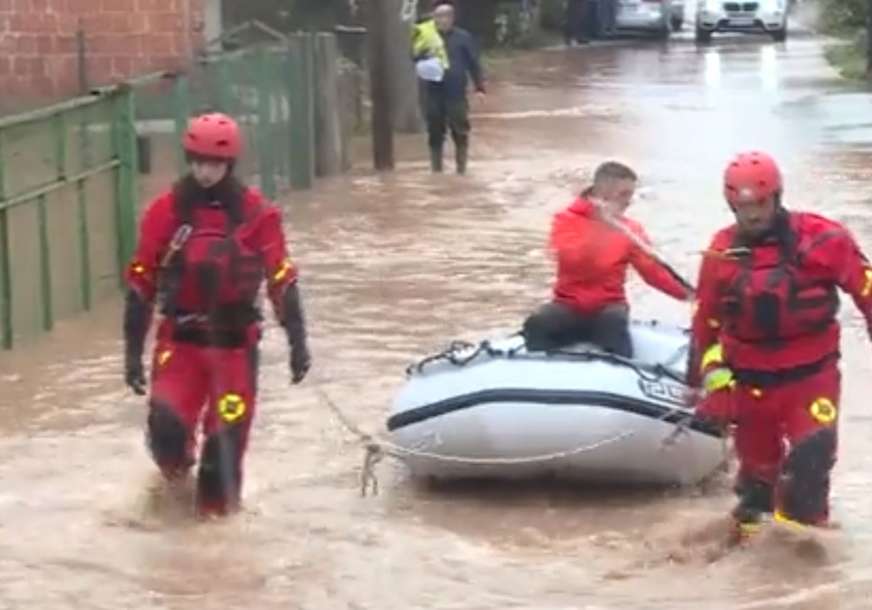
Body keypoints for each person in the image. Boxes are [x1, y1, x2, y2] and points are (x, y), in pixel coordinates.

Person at [123, 112, 312, 517]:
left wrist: (298, 341)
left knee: (221, 461)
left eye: (213, 163)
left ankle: (218, 543)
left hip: (235, 351)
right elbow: (141, 281)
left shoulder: (258, 215)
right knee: (166, 432)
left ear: (229, 164)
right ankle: (176, 483)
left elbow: (281, 276)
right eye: (198, 162)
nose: (205, 172)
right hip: (180, 343)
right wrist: (131, 354)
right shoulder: (166, 212)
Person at [690, 151, 872, 539]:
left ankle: (805, 564)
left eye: (759, 204)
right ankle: (749, 572)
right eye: (742, 207)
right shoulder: (721, 253)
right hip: (751, 382)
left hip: (811, 377)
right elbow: (706, 329)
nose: (752, 215)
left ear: (777, 197)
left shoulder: (825, 239)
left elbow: (866, 292)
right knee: (758, 484)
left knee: (812, 458)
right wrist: (710, 384)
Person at [523, 162, 694, 357]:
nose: (629, 202)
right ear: (603, 194)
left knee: (613, 324)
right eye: (624, 195)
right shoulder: (565, 220)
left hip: (608, 307)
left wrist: (690, 296)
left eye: (630, 195)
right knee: (537, 323)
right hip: (568, 306)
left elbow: (653, 272)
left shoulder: (631, 230)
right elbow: (572, 257)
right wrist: (601, 226)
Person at [418, 0, 486, 175]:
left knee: (460, 131)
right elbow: (414, 57)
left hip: (456, 93)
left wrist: (479, 88)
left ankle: (461, 170)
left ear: (452, 18)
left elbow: (474, 64)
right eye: (438, 16)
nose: (442, 20)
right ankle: (436, 170)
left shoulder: (463, 38)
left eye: (446, 16)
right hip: (433, 92)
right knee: (435, 132)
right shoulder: (426, 37)